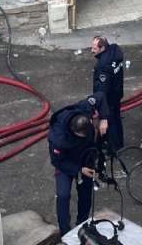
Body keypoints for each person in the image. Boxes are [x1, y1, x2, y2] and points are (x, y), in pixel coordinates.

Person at [48, 93, 111, 233]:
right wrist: (78, 169)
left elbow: (100, 96)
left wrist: (104, 119)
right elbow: (56, 160)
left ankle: (82, 225)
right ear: (73, 131)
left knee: (85, 193)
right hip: (66, 163)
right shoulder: (58, 138)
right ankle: (65, 232)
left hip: (85, 158)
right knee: (63, 195)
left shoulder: (84, 108)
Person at [91, 36, 125, 152]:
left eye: (94, 48)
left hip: (108, 99)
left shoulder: (102, 66)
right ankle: (119, 143)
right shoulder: (115, 52)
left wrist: (101, 110)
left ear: (102, 48)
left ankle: (114, 149)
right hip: (117, 94)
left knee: (110, 123)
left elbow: (101, 90)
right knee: (117, 119)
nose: (92, 50)